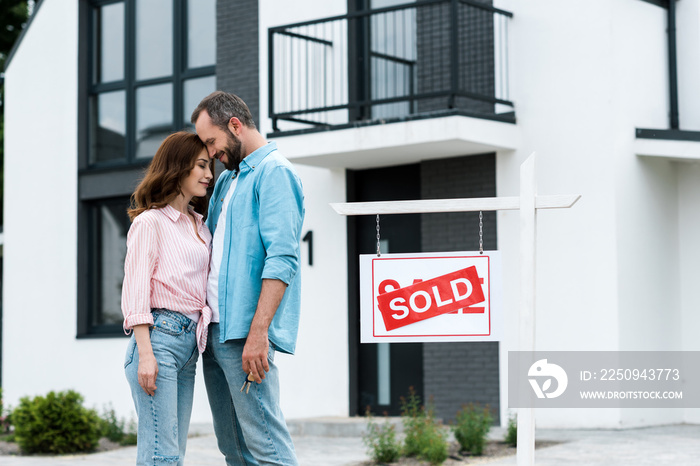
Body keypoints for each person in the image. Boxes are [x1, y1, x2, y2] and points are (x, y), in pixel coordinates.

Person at [191, 91, 304, 465]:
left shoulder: (276, 173)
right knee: (234, 450)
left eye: (212, 141)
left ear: (235, 125)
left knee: (268, 448)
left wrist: (259, 334)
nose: (210, 154)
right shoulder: (225, 181)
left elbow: (282, 259)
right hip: (214, 332)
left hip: (244, 335)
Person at [121, 131, 214, 466]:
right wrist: (146, 355)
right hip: (158, 341)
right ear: (179, 167)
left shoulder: (200, 225)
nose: (209, 174)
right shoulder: (150, 223)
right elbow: (135, 291)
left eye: (210, 166)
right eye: (201, 166)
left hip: (190, 344)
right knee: (163, 452)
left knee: (175, 452)